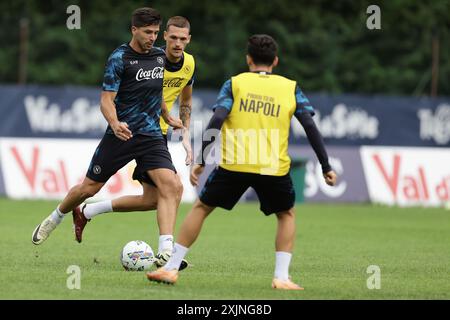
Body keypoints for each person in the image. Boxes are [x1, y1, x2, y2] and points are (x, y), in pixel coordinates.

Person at [146, 34, 337, 290]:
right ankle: (281, 277)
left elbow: (217, 120)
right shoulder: (290, 87)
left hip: (235, 164)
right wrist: (326, 166)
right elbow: (310, 126)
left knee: (202, 208)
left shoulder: (235, 84)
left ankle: (170, 269)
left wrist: (201, 160)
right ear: (275, 61)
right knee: (286, 214)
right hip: (272, 167)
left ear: (248, 59)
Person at [31, 8, 184, 265]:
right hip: (121, 135)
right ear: (134, 30)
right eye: (148, 32)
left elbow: (156, 92)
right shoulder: (119, 58)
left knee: (172, 186)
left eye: (156, 33)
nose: (152, 38)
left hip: (151, 135)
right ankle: (55, 217)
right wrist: (114, 123)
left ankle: (167, 252)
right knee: (88, 188)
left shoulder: (159, 57)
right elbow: (106, 100)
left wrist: (167, 116)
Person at [65, 16, 196, 269]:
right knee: (173, 188)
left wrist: (186, 136)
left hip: (157, 134)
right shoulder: (152, 58)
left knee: (154, 199)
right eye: (173, 38)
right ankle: (168, 253)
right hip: (136, 129)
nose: (177, 43)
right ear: (165, 37)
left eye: (183, 39)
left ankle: (89, 211)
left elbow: (186, 102)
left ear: (189, 40)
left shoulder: (189, 64)